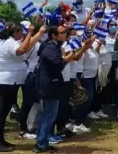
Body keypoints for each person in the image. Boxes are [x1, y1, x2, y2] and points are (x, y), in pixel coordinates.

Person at [0, 22, 44, 152]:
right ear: (15, 33)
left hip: (11, 81)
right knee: (2, 112)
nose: (23, 34)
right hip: (8, 81)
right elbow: (21, 50)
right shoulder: (10, 43)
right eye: (21, 32)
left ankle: (1, 140)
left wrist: (37, 34)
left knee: (3, 111)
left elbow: (26, 47)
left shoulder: (7, 42)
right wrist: (31, 33)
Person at [33, 25, 69, 153]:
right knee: (49, 115)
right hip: (49, 86)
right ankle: (41, 143)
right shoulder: (50, 48)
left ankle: (42, 141)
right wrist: (66, 59)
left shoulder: (53, 47)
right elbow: (58, 65)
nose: (65, 35)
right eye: (62, 33)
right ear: (54, 35)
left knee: (47, 115)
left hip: (50, 85)